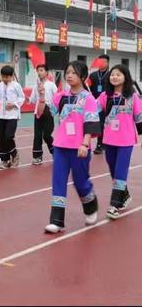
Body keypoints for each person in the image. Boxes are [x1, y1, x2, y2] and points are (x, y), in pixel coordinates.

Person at [45, 61, 100, 234]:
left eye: (74, 73)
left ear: (83, 77)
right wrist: (40, 96)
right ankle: (57, 220)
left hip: (79, 147)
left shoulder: (88, 98)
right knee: (58, 181)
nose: (69, 75)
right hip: (60, 145)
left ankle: (91, 206)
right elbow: (44, 113)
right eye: (68, 72)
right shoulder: (60, 96)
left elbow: (91, 123)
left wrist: (85, 143)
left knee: (80, 181)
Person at [97, 64, 142, 219]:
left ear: (125, 77)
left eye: (118, 74)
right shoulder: (105, 96)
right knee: (113, 170)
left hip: (126, 140)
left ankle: (114, 204)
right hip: (109, 139)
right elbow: (93, 109)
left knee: (121, 170)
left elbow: (139, 119)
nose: (114, 77)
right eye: (112, 75)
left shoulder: (133, 97)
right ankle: (124, 195)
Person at [0, 65, 25, 169]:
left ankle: (14, 154)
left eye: (7, 77)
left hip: (12, 115)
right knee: (1, 139)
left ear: (12, 76)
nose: (5, 79)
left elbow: (22, 97)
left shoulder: (16, 85)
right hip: (1, 115)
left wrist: (14, 104)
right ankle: (5, 160)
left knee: (8, 136)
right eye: (3, 77)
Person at [28, 64, 57, 165]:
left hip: (48, 111)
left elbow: (56, 98)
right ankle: (37, 156)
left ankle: (55, 152)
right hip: (38, 112)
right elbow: (33, 100)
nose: (39, 72)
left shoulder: (52, 85)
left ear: (46, 72)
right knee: (37, 135)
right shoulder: (36, 86)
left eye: (41, 70)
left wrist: (53, 111)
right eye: (38, 71)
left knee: (47, 135)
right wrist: (27, 98)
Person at [88, 54, 110, 155]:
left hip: (108, 102)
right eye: (100, 61)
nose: (102, 63)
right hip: (95, 103)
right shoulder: (92, 76)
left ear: (107, 63)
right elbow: (88, 88)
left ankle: (105, 143)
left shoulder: (111, 75)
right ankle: (100, 145)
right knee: (98, 123)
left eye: (104, 61)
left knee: (106, 124)